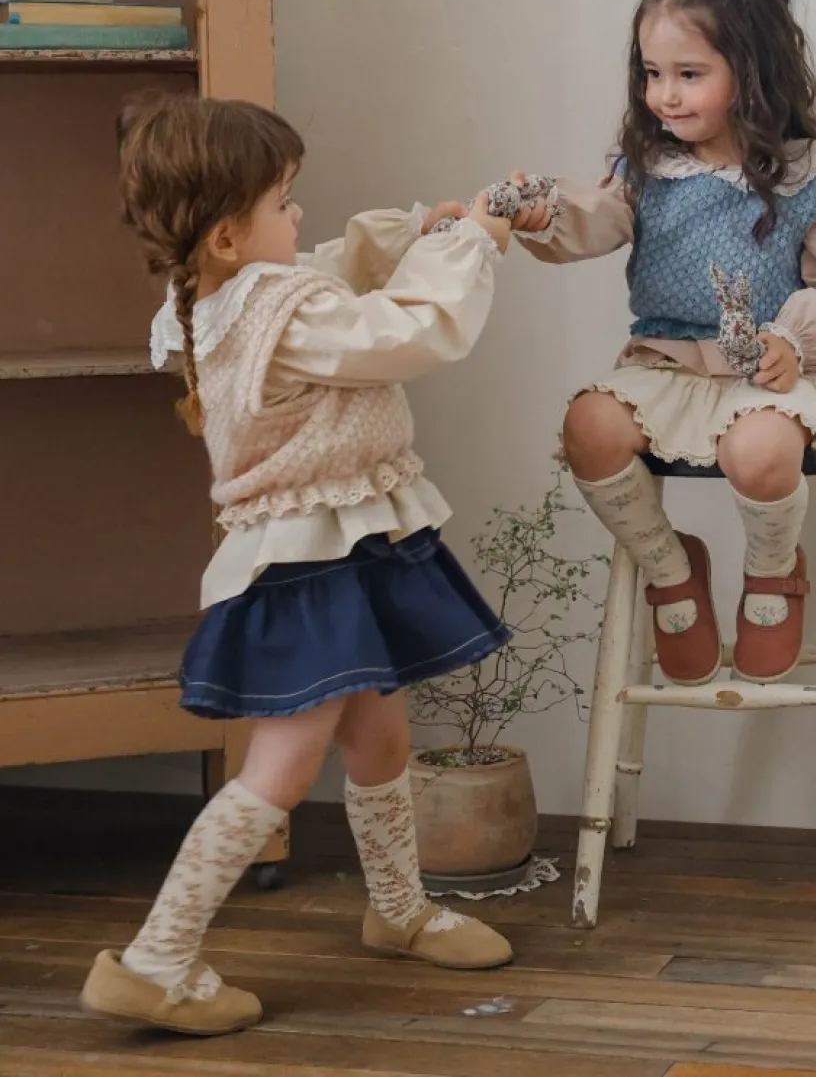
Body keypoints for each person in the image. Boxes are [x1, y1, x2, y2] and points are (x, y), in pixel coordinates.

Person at [81, 95, 515, 1037]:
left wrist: (414, 229)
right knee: (280, 767)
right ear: (228, 235)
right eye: (283, 201)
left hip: (343, 551)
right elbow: (404, 333)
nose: (299, 214)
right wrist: (465, 246)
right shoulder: (284, 314)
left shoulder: (217, 299)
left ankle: (397, 909)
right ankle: (158, 957)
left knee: (381, 738)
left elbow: (322, 269)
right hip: (305, 566)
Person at [511, 0, 816, 689]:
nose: (664, 95)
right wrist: (545, 212)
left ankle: (773, 568)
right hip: (665, 364)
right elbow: (595, 219)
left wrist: (792, 340)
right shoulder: (648, 166)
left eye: (689, 74)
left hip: (768, 375)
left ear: (752, 71)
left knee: (758, 451)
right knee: (588, 426)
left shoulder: (804, 173)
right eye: (651, 73)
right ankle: (669, 569)